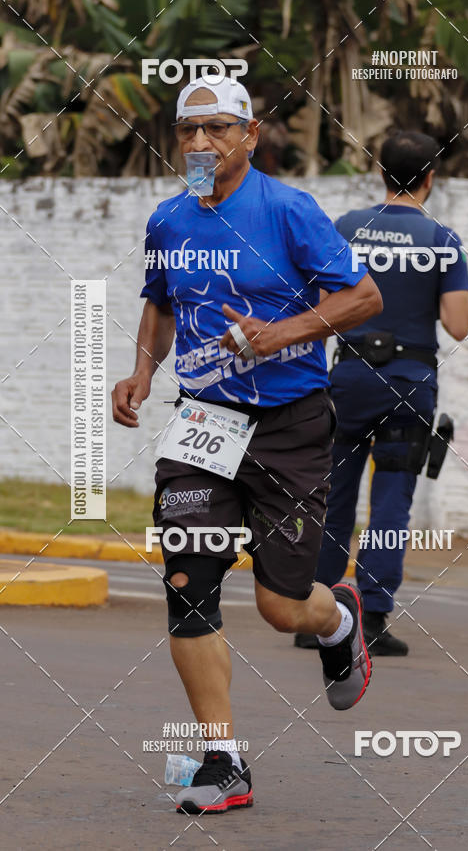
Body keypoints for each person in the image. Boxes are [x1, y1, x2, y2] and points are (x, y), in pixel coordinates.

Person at [112, 76, 382, 815]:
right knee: (186, 578)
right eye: (189, 131)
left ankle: (338, 619)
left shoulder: (288, 210)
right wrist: (141, 370)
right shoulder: (169, 219)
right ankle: (223, 761)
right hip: (203, 424)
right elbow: (160, 300)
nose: (200, 143)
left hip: (291, 423)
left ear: (250, 135)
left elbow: (362, 299)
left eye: (218, 129)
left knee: (282, 606)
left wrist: (279, 334)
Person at [295, 130, 468, 657]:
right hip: (408, 384)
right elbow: (459, 323)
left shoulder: (347, 227)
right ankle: (371, 619)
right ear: (430, 177)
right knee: (392, 502)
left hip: (348, 380)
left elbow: (318, 302)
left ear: (380, 174)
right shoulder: (441, 239)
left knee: (333, 499)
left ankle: (318, 618)